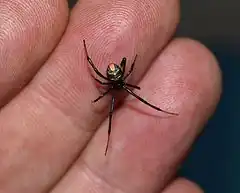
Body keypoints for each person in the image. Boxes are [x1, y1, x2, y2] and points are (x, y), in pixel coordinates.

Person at [0, 0, 221, 192]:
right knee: (115, 109)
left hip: (115, 76)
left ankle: (161, 111)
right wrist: (97, 61)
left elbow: (117, 75)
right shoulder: (115, 84)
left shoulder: (115, 84)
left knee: (123, 99)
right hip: (114, 76)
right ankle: (154, 112)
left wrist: (121, 74)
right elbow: (102, 74)